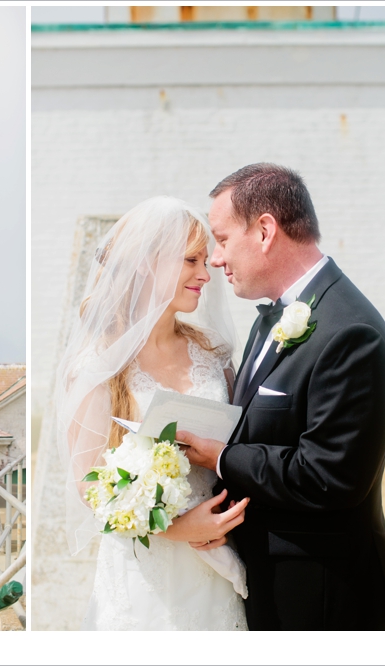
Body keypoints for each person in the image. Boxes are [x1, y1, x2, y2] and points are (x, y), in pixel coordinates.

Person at [179, 163, 385, 630]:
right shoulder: (275, 315)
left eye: (221, 240)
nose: (216, 260)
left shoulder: (351, 333)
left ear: (264, 231)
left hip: (319, 597)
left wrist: (220, 458)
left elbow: (327, 476)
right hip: (263, 581)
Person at [56, 196, 250, 631]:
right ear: (147, 263)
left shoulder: (212, 352)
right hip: (144, 573)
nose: (206, 273)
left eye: (205, 260)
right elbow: (90, 487)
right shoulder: (100, 365)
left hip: (216, 562)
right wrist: (178, 528)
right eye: (190, 260)